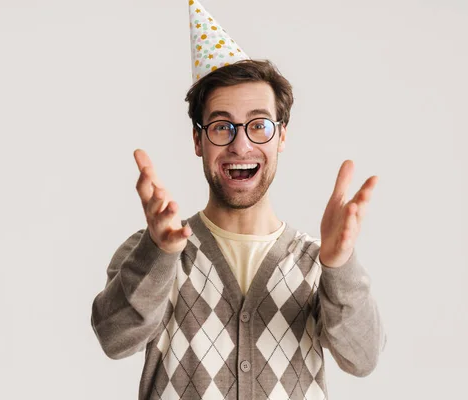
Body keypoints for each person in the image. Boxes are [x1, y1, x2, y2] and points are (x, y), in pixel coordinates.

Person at [91, 1, 385, 399]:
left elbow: (363, 358)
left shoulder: (317, 262)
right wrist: (158, 253)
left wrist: (339, 265)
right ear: (198, 140)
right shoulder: (152, 252)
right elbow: (114, 338)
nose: (241, 144)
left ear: (282, 136)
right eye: (221, 126)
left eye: (259, 125)